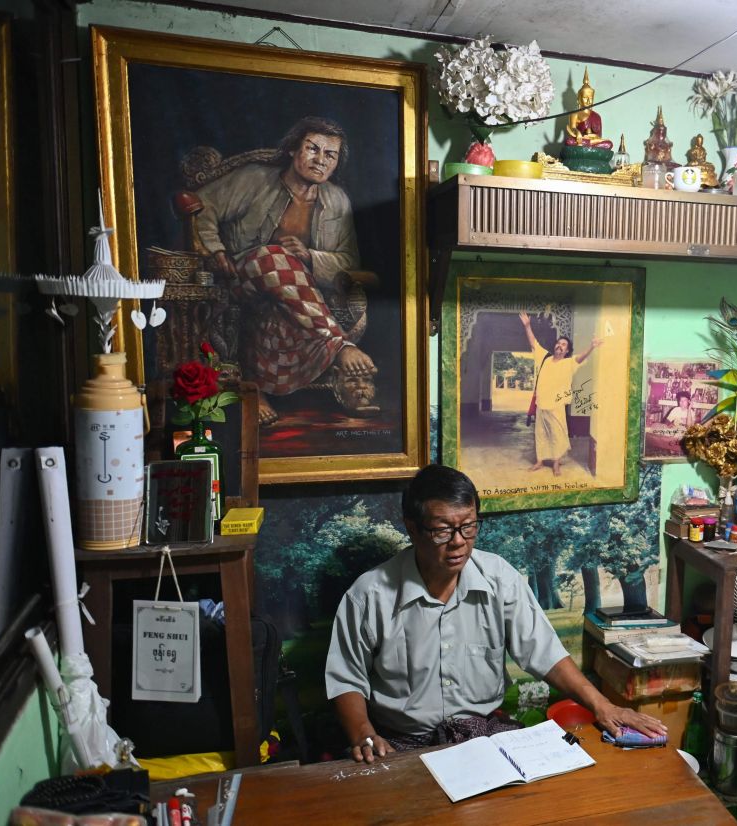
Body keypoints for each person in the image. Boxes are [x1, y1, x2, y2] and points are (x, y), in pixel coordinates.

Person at [326, 464, 666, 761]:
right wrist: (364, 735)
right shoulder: (369, 595)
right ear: (412, 528)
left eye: (469, 527)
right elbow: (346, 679)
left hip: (482, 732)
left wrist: (603, 705)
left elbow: (544, 653)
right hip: (401, 741)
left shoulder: (499, 578)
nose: (458, 542)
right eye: (442, 530)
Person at [193, 115, 377, 426]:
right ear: (293, 149)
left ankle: (255, 387)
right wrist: (216, 250)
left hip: (295, 299)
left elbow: (350, 262)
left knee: (284, 304)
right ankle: (340, 345)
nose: (320, 160)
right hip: (240, 280)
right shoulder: (253, 179)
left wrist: (310, 256)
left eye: (330, 155)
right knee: (274, 257)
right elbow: (200, 206)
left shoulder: (337, 201)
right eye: (312, 149)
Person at [518, 312, 602, 476]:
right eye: (558, 343)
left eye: (563, 344)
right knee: (540, 434)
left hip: (556, 406)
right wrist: (527, 326)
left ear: (567, 350)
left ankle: (556, 464)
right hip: (541, 404)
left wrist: (591, 346)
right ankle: (540, 461)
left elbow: (580, 358)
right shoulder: (544, 358)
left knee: (557, 435)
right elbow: (533, 342)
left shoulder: (569, 363)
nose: (559, 345)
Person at [565, 69, 614, 149]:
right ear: (579, 99)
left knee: (609, 144)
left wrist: (592, 136)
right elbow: (572, 128)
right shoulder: (575, 114)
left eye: (590, 98)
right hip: (580, 140)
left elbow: (599, 136)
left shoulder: (596, 116)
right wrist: (577, 132)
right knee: (569, 141)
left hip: (591, 142)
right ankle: (590, 144)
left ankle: (590, 144)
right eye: (585, 98)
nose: (588, 101)